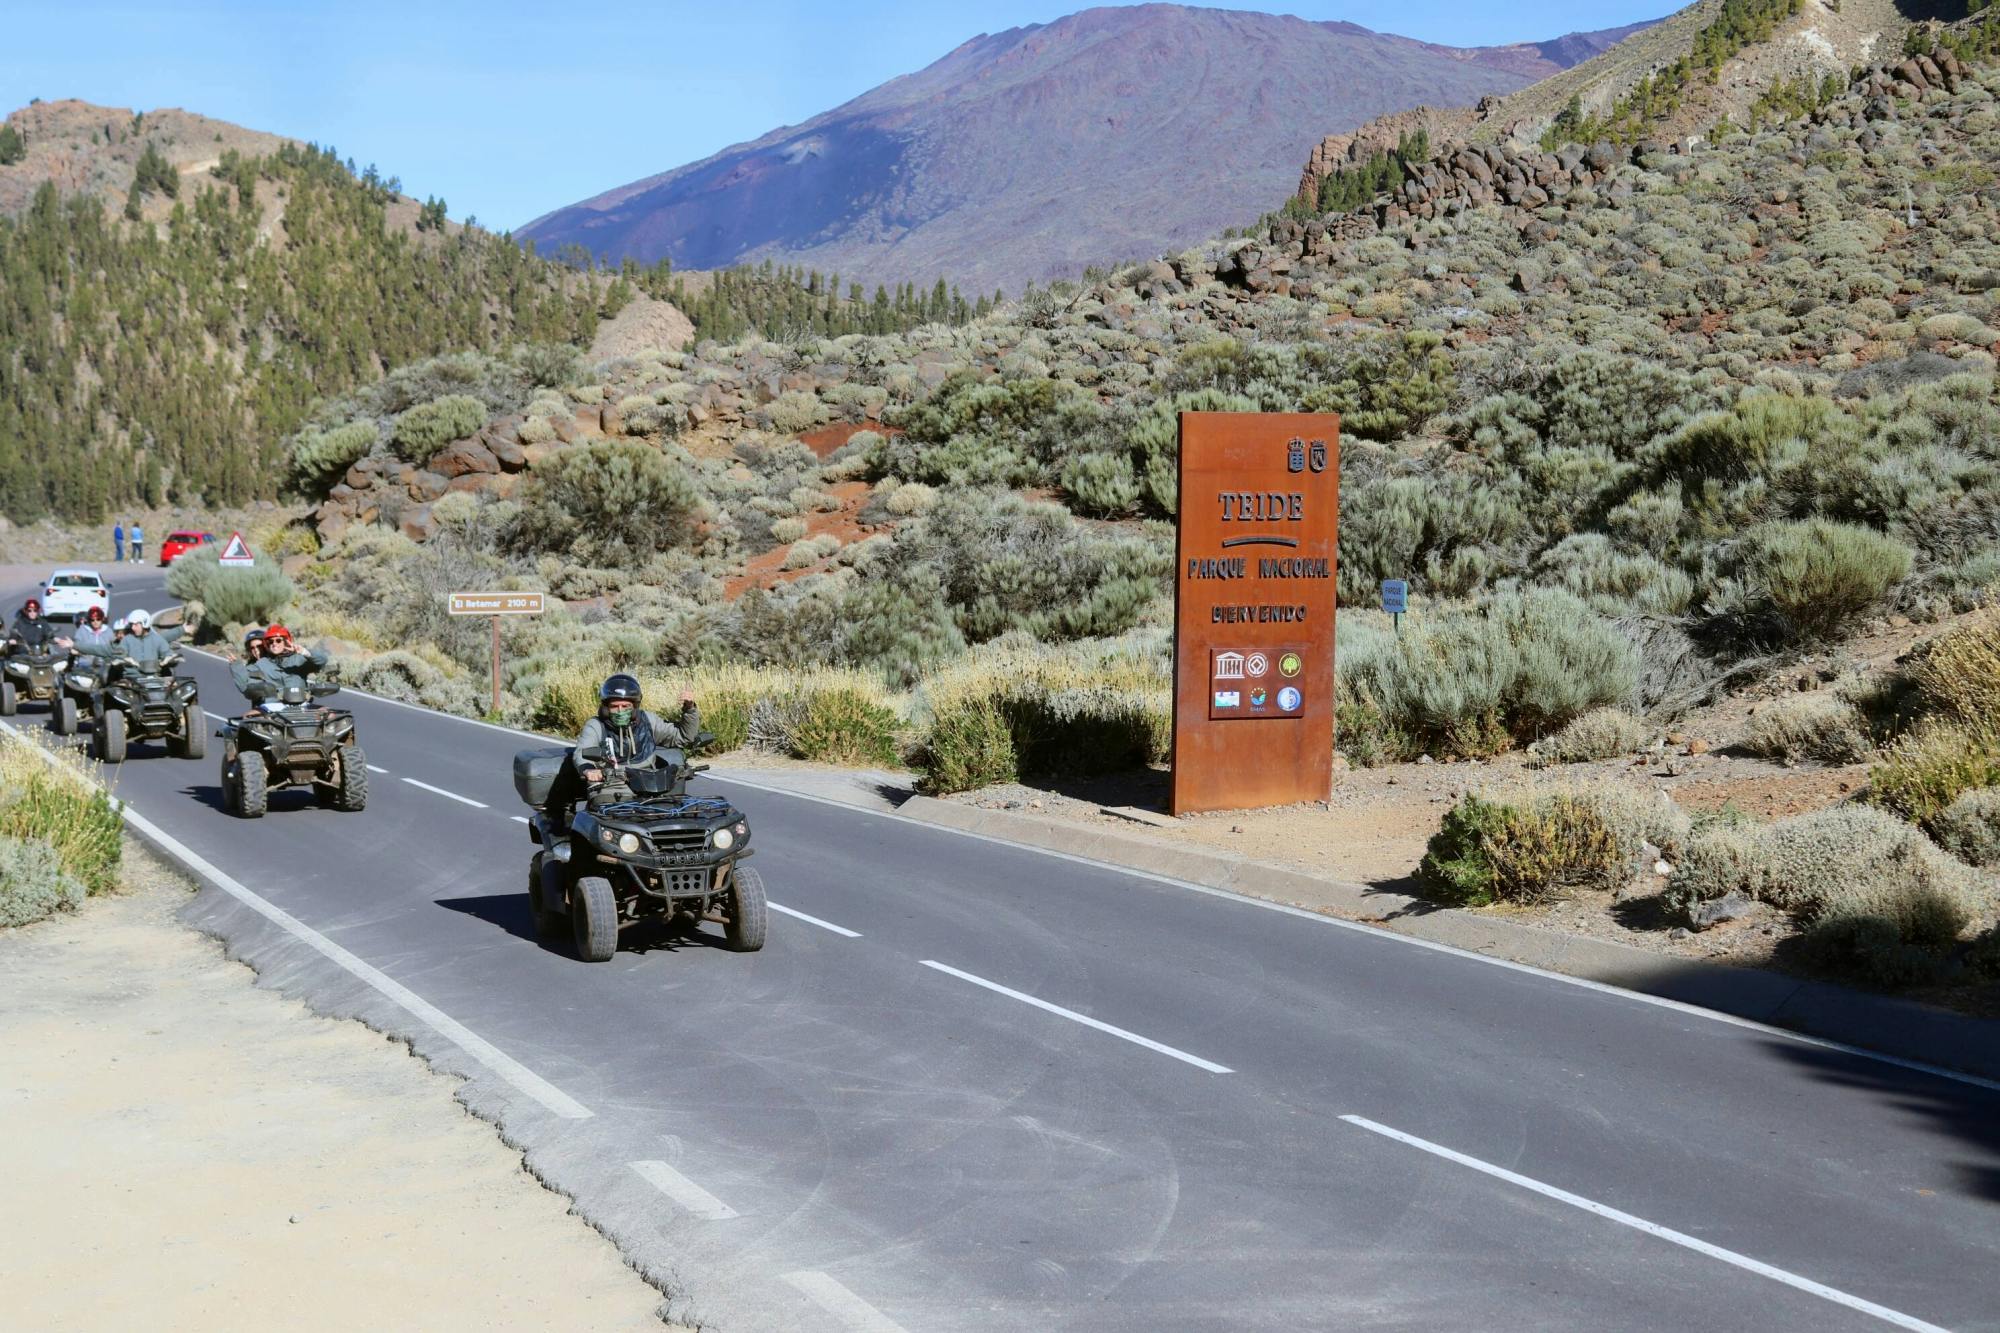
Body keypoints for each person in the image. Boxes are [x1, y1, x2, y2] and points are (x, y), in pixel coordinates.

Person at [541, 674, 700, 832]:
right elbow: (582, 752)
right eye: (614, 706)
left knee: (675, 818)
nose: (620, 711)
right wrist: (589, 770)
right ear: (605, 707)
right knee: (610, 827)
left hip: (649, 783)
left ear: (634, 707)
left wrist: (689, 709)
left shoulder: (648, 721)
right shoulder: (596, 725)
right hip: (611, 785)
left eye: (625, 706)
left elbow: (682, 737)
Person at [72, 605, 196, 675]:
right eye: (131, 625)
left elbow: (166, 647)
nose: (132, 627)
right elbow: (103, 650)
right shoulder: (127, 640)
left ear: (144, 624)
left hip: (155, 678)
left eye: (136, 624)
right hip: (132, 681)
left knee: (183, 688)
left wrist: (169, 658)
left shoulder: (156, 639)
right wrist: (75, 645)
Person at [6, 599, 70, 654]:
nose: (32, 612)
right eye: (29, 610)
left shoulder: (42, 622)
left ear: (38, 611)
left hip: (41, 652)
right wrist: (13, 640)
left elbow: (49, 634)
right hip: (24, 653)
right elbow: (13, 635)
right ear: (25, 611)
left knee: (57, 660)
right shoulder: (19, 623)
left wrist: (58, 640)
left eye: (35, 610)